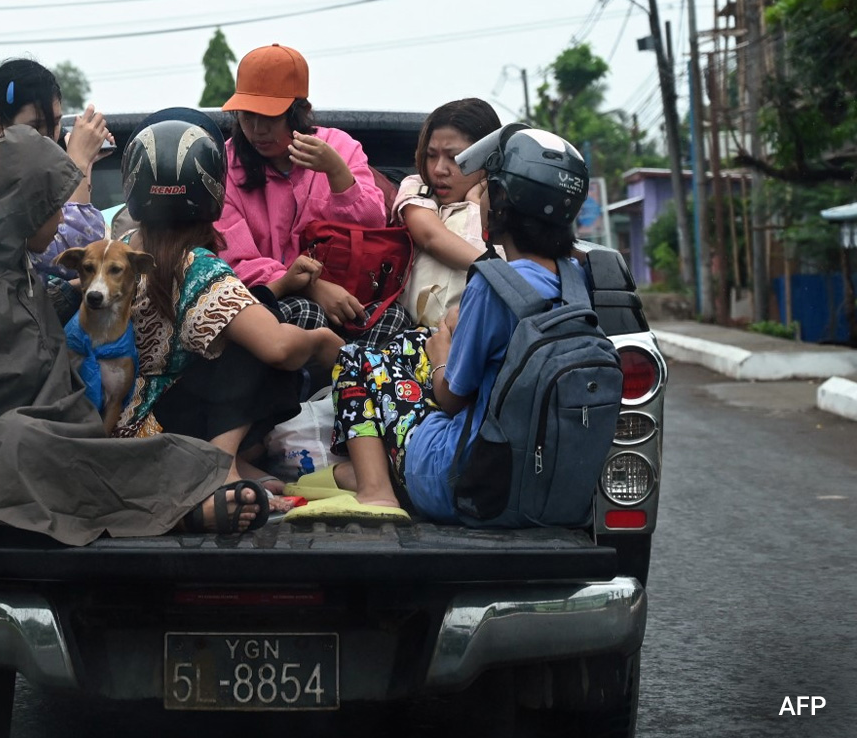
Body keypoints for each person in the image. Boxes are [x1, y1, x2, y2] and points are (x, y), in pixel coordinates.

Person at [0, 125, 266, 545]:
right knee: (32, 447)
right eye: (55, 207)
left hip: (47, 432)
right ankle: (182, 514)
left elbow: (18, 326)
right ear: (29, 209)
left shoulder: (17, 272)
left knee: (144, 447)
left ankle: (190, 488)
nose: (62, 218)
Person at [307, 125, 591, 522]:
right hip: (543, 486)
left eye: (490, 186)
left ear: (504, 202)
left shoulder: (494, 286)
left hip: (458, 482)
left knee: (357, 358)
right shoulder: (580, 279)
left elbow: (450, 397)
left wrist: (442, 354)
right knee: (413, 341)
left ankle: (377, 490)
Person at [112, 109, 344, 490]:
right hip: (164, 433)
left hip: (127, 424)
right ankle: (222, 464)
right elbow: (279, 349)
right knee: (260, 337)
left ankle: (237, 463)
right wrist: (321, 341)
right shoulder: (196, 267)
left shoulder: (121, 252)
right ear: (212, 187)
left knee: (255, 311)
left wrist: (280, 286)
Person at [216, 44, 409, 347]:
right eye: (246, 116)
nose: (256, 130)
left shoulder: (339, 147)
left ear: (300, 113)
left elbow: (374, 222)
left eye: (269, 118)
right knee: (305, 316)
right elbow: (235, 260)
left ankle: (355, 386)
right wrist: (311, 288)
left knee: (395, 319)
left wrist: (337, 173)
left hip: (351, 295)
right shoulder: (225, 165)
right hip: (274, 298)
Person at [0, 59, 112, 318]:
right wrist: (77, 163)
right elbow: (79, 253)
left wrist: (80, 164)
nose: (48, 138)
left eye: (55, 124)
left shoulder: (28, 177)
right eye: (35, 127)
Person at [394, 98, 502, 279]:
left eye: (455, 157)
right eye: (431, 155)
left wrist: (476, 202)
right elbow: (430, 237)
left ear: (488, 158)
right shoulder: (416, 187)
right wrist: (503, 275)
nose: (438, 169)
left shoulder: (509, 202)